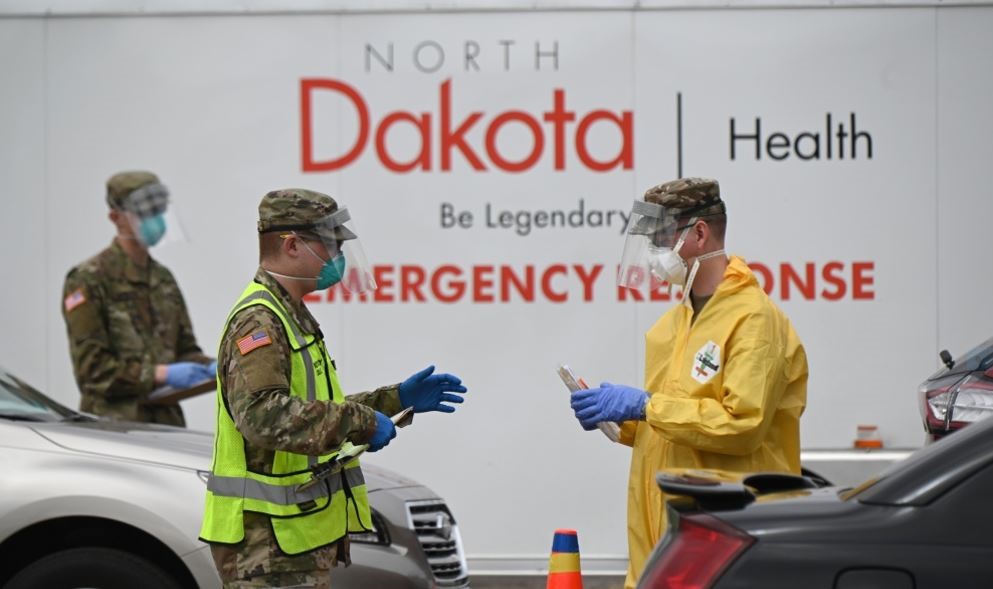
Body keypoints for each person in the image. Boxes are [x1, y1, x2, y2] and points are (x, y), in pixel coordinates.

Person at [199, 188, 467, 589]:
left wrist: (396, 399)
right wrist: (360, 421)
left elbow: (314, 407)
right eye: (331, 246)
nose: (338, 259)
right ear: (291, 245)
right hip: (265, 545)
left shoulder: (290, 315)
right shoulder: (259, 320)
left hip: (288, 541)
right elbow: (262, 415)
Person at [570, 178, 808, 588]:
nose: (654, 253)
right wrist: (620, 421)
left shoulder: (753, 320)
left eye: (662, 238)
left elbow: (741, 426)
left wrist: (644, 406)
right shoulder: (673, 323)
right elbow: (677, 419)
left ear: (699, 233)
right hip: (665, 539)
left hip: (726, 538)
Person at [61, 170, 215, 426]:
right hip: (114, 427)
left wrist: (212, 367)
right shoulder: (88, 279)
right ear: (115, 217)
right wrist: (160, 374)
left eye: (159, 211)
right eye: (144, 213)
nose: (155, 220)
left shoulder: (163, 279)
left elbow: (185, 350)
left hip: (166, 425)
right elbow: (92, 373)